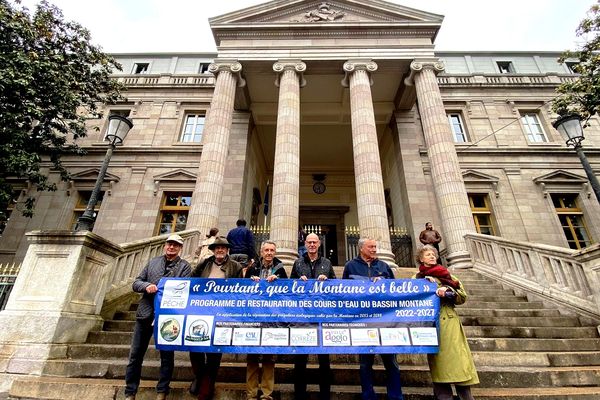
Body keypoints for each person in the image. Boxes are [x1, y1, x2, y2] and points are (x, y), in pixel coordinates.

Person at [124, 234, 192, 400]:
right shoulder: (153, 262)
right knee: (135, 355)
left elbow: (184, 288)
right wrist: (147, 286)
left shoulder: (185, 266)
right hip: (145, 314)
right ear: (165, 245)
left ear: (180, 248)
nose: (171, 247)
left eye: (175, 245)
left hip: (168, 318)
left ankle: (162, 391)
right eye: (169, 244)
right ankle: (130, 392)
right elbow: (136, 283)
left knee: (167, 357)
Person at [415, 245, 479, 400]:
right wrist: (426, 286)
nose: (431, 256)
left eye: (433, 254)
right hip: (431, 324)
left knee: (458, 363)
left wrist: (447, 291)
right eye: (428, 255)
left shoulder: (447, 275)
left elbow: (462, 296)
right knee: (440, 368)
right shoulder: (417, 278)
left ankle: (465, 396)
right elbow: (411, 297)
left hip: (450, 322)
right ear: (421, 259)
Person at [342, 238, 403, 400]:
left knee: (391, 363)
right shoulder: (350, 266)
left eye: (375, 247)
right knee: (365, 364)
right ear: (361, 248)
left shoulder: (384, 266)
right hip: (363, 323)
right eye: (371, 247)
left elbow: (395, 291)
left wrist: (383, 283)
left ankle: (396, 396)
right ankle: (368, 396)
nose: (375, 249)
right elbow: (344, 293)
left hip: (385, 322)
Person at [189, 237, 244, 400]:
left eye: (223, 248)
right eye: (217, 248)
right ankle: (200, 376)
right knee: (195, 348)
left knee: (214, 353)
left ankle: (206, 389)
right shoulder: (205, 264)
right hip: (201, 312)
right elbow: (191, 281)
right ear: (213, 250)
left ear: (227, 250)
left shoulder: (235, 266)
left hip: (221, 314)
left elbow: (240, 289)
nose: (220, 250)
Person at [290, 233, 335, 400]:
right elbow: (289, 288)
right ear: (305, 244)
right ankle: (299, 395)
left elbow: (337, 288)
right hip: (303, 318)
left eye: (314, 242)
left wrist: (328, 280)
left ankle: (325, 395)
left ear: (319, 244)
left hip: (322, 318)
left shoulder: (327, 263)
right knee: (300, 360)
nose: (312, 245)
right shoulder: (298, 263)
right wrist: (298, 282)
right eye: (309, 242)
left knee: (324, 361)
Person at [244, 240, 288, 400]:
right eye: (266, 250)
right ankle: (251, 393)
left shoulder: (281, 269)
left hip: (272, 319)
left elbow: (287, 293)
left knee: (269, 358)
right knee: (252, 357)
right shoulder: (252, 268)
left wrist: (279, 281)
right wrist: (251, 281)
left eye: (272, 250)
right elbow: (242, 290)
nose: (269, 253)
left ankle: (267, 393)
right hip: (254, 318)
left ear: (275, 253)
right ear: (261, 252)